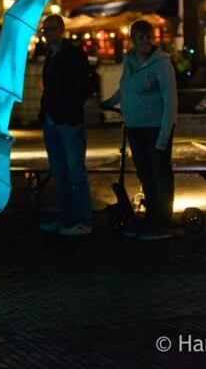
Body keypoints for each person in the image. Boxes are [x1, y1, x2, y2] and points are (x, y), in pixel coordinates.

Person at [101, 20, 178, 241]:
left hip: (155, 127)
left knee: (160, 175)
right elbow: (125, 87)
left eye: (149, 37)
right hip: (135, 127)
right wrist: (111, 102)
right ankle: (152, 218)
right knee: (145, 174)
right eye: (141, 37)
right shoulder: (130, 60)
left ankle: (162, 224)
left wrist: (164, 136)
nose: (146, 41)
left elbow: (170, 101)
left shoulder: (162, 65)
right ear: (133, 40)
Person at [37, 15, 93, 236]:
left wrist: (69, 111)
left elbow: (82, 88)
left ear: (61, 29)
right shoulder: (52, 55)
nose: (47, 33)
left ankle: (83, 220)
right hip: (53, 120)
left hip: (67, 121)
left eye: (51, 29)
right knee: (60, 174)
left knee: (75, 173)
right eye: (45, 30)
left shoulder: (73, 55)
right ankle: (67, 218)